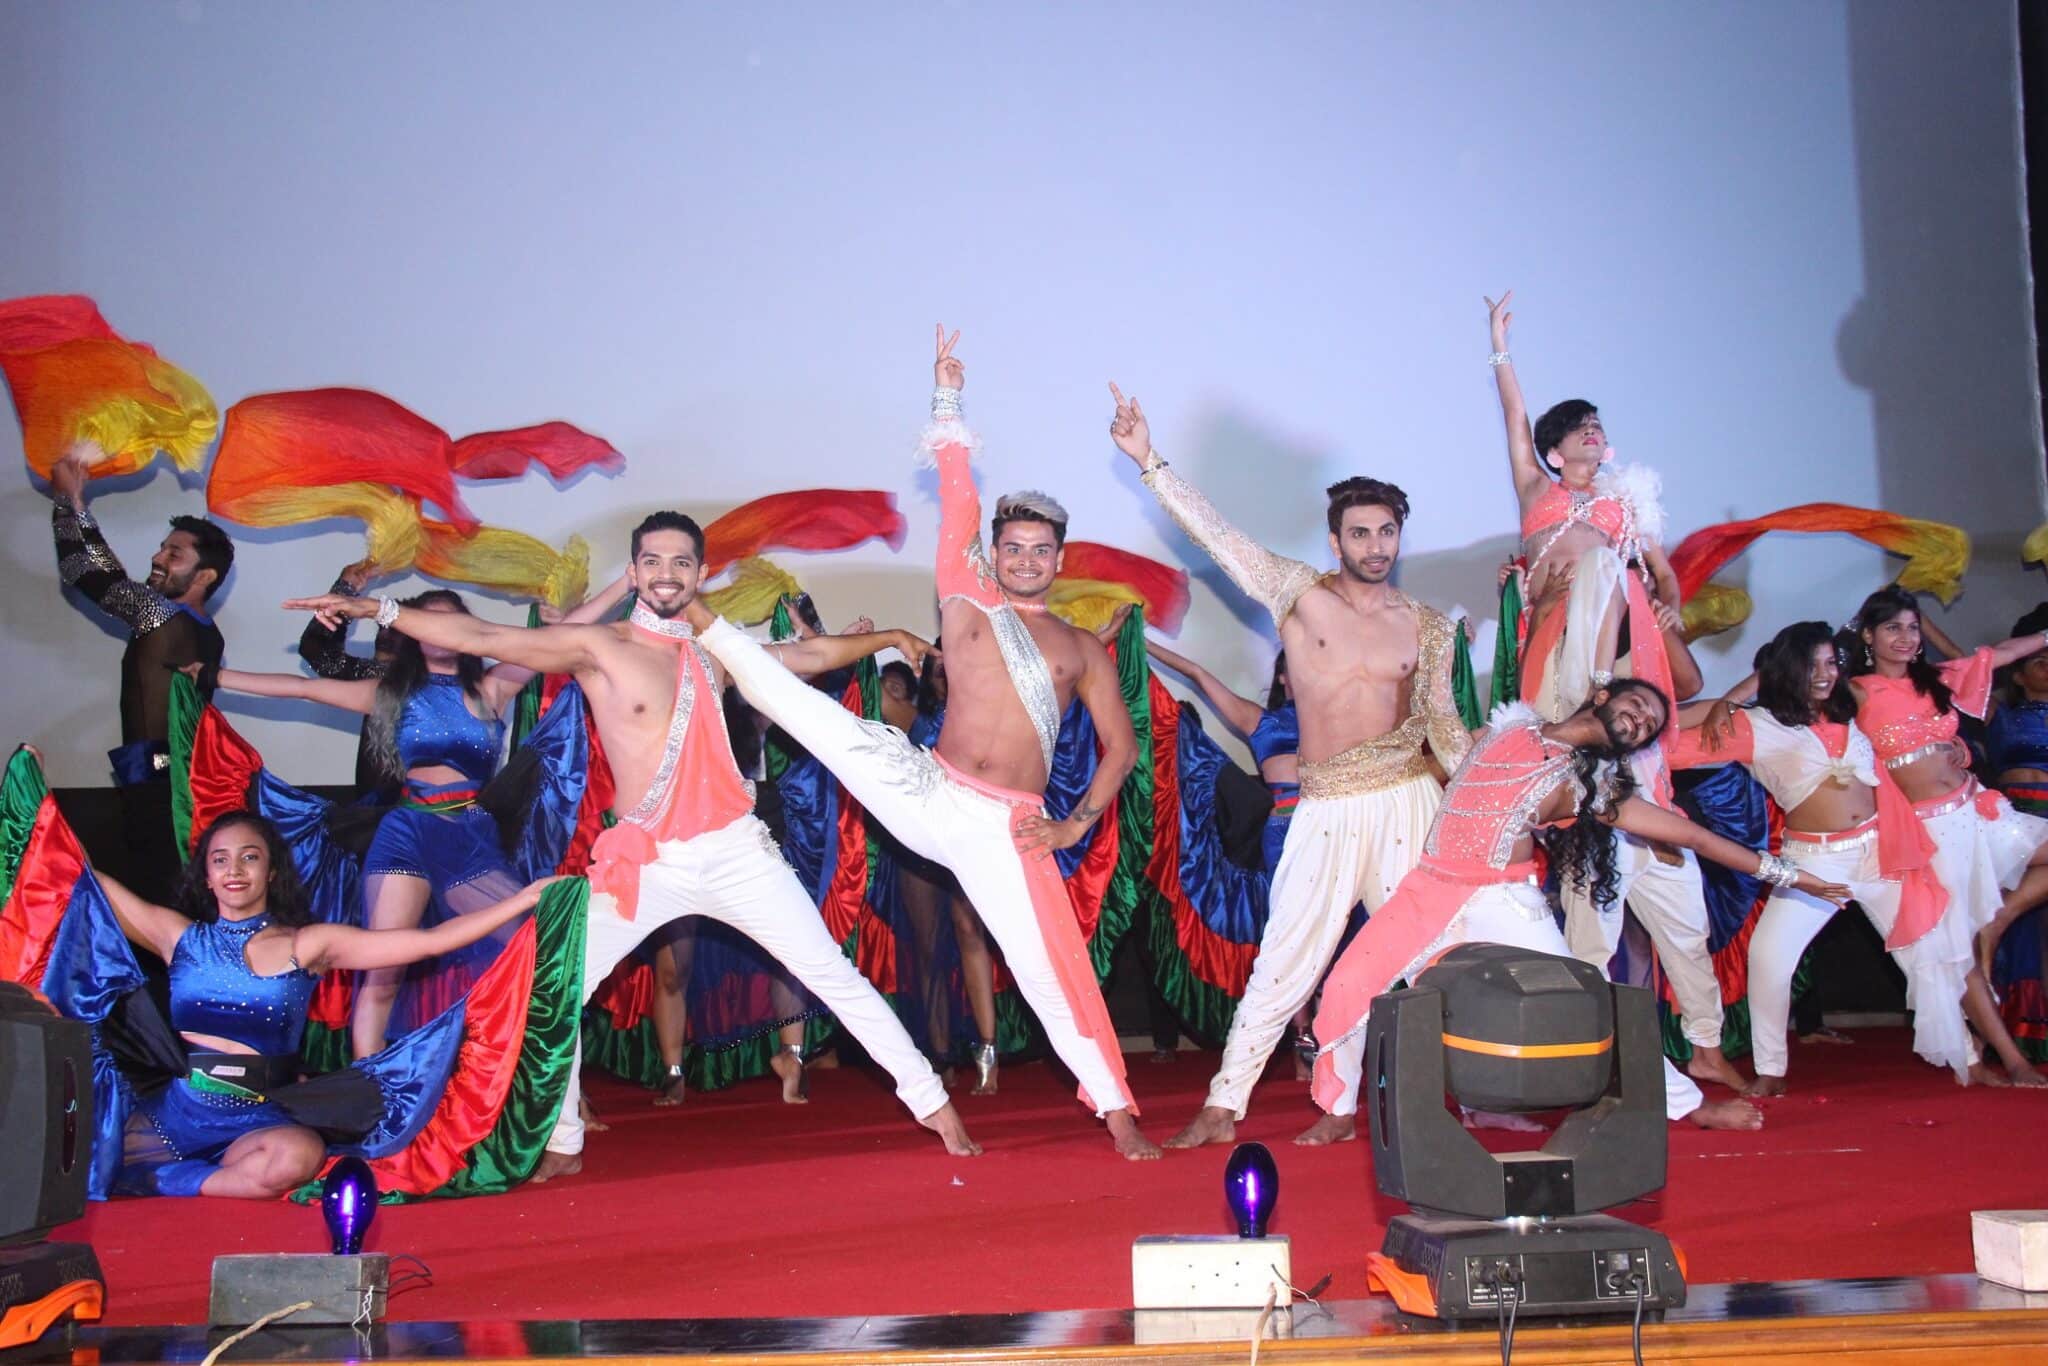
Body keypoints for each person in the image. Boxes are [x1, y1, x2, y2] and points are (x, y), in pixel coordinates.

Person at [287, 511, 978, 1179]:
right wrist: (376, 613)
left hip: (737, 852)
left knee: (834, 975)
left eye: (681, 561)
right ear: (636, 571)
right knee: (550, 993)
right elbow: (479, 634)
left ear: (701, 572)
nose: (667, 573)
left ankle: (934, 1105)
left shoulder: (718, 653)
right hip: (647, 861)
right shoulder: (601, 648)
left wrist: (889, 633)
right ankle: (563, 1138)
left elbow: (810, 655)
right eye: (653, 561)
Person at [689, 328, 1156, 1159]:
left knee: (1053, 974)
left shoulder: (1081, 648)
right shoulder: (963, 594)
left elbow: (1120, 748)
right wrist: (947, 397)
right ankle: (699, 624)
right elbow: (958, 496)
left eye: (1040, 550)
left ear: (1059, 558)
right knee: (811, 714)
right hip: (928, 789)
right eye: (1011, 548)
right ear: (994, 554)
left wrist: (1076, 824)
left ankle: (1117, 1112)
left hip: (1009, 827)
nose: (1024, 559)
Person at [1108, 383, 1470, 1148]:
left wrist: (1499, 801)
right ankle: (1222, 1105)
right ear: (1335, 541)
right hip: (1327, 806)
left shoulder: (1429, 628)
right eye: (1361, 533)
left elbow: (1448, 730)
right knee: (1287, 958)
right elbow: (1219, 537)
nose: (1376, 546)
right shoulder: (1297, 596)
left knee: (1427, 957)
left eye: (1388, 532)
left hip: (1409, 797)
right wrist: (1150, 463)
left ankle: (1406, 1103)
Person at [1310, 682, 1851, 1131]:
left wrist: (1786, 873)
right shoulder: (1511, 727)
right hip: (1428, 890)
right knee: (1345, 987)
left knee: (1588, 1008)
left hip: (1506, 904)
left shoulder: (1588, 789)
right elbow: (1432, 726)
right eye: (1637, 706)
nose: (1641, 721)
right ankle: (1337, 1111)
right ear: (1601, 694)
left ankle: (1690, 1106)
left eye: (1649, 725)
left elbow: (1698, 839)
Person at [1485, 298, 1741, 1093]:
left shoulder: (1629, 504)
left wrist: (1665, 603)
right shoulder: (1535, 493)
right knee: (1599, 571)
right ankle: (1589, 1056)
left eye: (1600, 425)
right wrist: (1500, 348)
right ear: (1554, 451)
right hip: (1561, 668)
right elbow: (1515, 412)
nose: (1594, 434)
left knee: (1684, 922)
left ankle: (1705, 1046)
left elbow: (1660, 576)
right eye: (1580, 428)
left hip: (1628, 673)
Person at [201, 583, 623, 1055]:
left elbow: (567, 632)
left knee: (531, 946)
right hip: (408, 833)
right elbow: (303, 688)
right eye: (427, 618)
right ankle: (368, 1083)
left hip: (468, 839)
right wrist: (214, 676)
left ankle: (554, 1082)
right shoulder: (391, 694)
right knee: (383, 966)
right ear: (412, 631)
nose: (440, 629)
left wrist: (624, 583)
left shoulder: (493, 687)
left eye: (451, 619)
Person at [88, 808, 553, 1198]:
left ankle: (166, 1180)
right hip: (179, 1111)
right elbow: (84, 878)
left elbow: (427, 942)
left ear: (270, 871)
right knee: (85, 1154)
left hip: (257, 1119)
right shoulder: (178, 938)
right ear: (207, 875)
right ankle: (172, 1173)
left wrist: (520, 902)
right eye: (221, 860)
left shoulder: (307, 944)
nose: (234, 870)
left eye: (250, 858)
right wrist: (30, 791)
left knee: (299, 1157)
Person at [1670, 622, 1946, 1093]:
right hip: (1815, 864)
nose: (1823, 674)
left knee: (1932, 953)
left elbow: (1914, 727)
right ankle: (1772, 1071)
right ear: (1782, 669)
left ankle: (1968, 1054)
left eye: (1830, 663)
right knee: (1770, 961)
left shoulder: (1853, 711)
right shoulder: (1755, 726)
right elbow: (1671, 735)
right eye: (1809, 664)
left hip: (1880, 853)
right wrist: (1735, 695)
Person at [1844, 587, 2048, 1085]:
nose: (1906, 638)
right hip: (1930, 832)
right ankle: (2012, 1062)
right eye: (1893, 628)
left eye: (1913, 628)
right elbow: (1789, 689)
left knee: (1970, 937)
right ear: (1868, 634)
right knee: (1958, 955)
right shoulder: (1854, 689)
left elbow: (1996, 655)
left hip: (1976, 809)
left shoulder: (1934, 681)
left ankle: (1998, 917)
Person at [46, 438, 234, 902]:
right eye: (162, 548)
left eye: (175, 554)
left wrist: (68, 500)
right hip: (172, 785)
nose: (157, 558)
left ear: (205, 576)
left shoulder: (164, 616)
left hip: (159, 790)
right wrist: (74, 503)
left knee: (159, 903)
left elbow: (80, 570)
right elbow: (107, 571)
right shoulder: (201, 628)